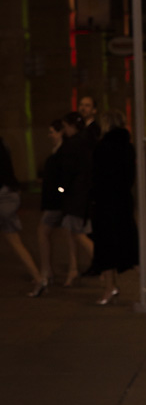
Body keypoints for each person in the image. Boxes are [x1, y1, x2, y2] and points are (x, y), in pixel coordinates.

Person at [90, 110, 139, 305]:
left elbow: (96, 177)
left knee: (105, 247)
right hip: (123, 200)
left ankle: (110, 287)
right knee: (128, 243)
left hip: (105, 202)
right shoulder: (128, 146)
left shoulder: (102, 147)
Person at [36, 119, 78, 291]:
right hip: (60, 201)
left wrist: (60, 190)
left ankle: (47, 271)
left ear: (61, 132)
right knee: (70, 234)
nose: (50, 135)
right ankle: (69, 270)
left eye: (52, 132)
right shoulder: (61, 151)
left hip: (58, 202)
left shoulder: (63, 152)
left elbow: (63, 178)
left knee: (45, 231)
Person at [0, 134, 44, 294]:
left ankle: (39, 279)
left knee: (14, 240)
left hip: (3, 197)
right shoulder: (3, 143)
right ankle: (38, 279)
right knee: (15, 241)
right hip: (8, 194)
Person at [60, 112, 94, 284]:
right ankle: (73, 268)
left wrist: (61, 188)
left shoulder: (73, 144)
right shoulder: (85, 140)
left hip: (77, 195)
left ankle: (105, 266)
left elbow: (68, 171)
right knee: (72, 232)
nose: (64, 130)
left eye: (65, 126)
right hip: (82, 194)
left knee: (78, 233)